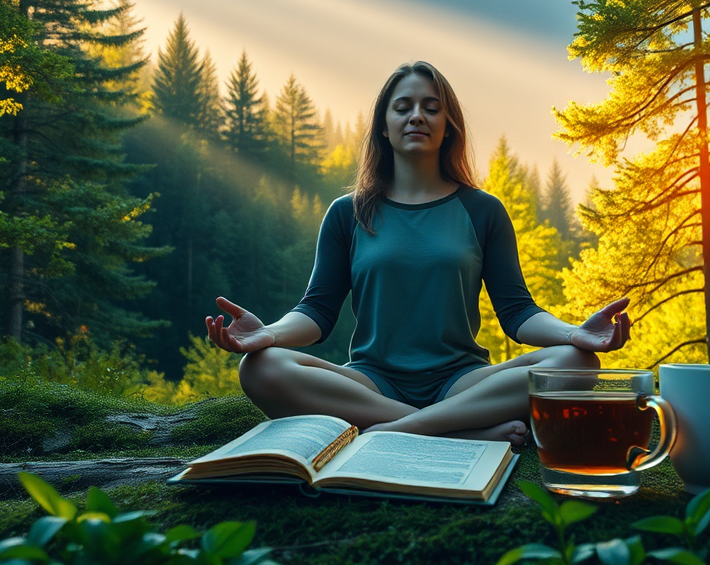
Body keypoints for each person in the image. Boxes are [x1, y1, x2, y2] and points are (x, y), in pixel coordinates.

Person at [206, 61, 631, 445]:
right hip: (370, 384)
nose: (416, 116)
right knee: (260, 368)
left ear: (449, 125)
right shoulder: (346, 213)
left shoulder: (483, 211)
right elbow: (317, 312)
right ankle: (460, 431)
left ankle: (396, 430)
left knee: (578, 362)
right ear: (383, 126)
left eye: (431, 107)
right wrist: (270, 335)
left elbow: (518, 312)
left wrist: (573, 333)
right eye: (403, 106)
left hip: (463, 382)